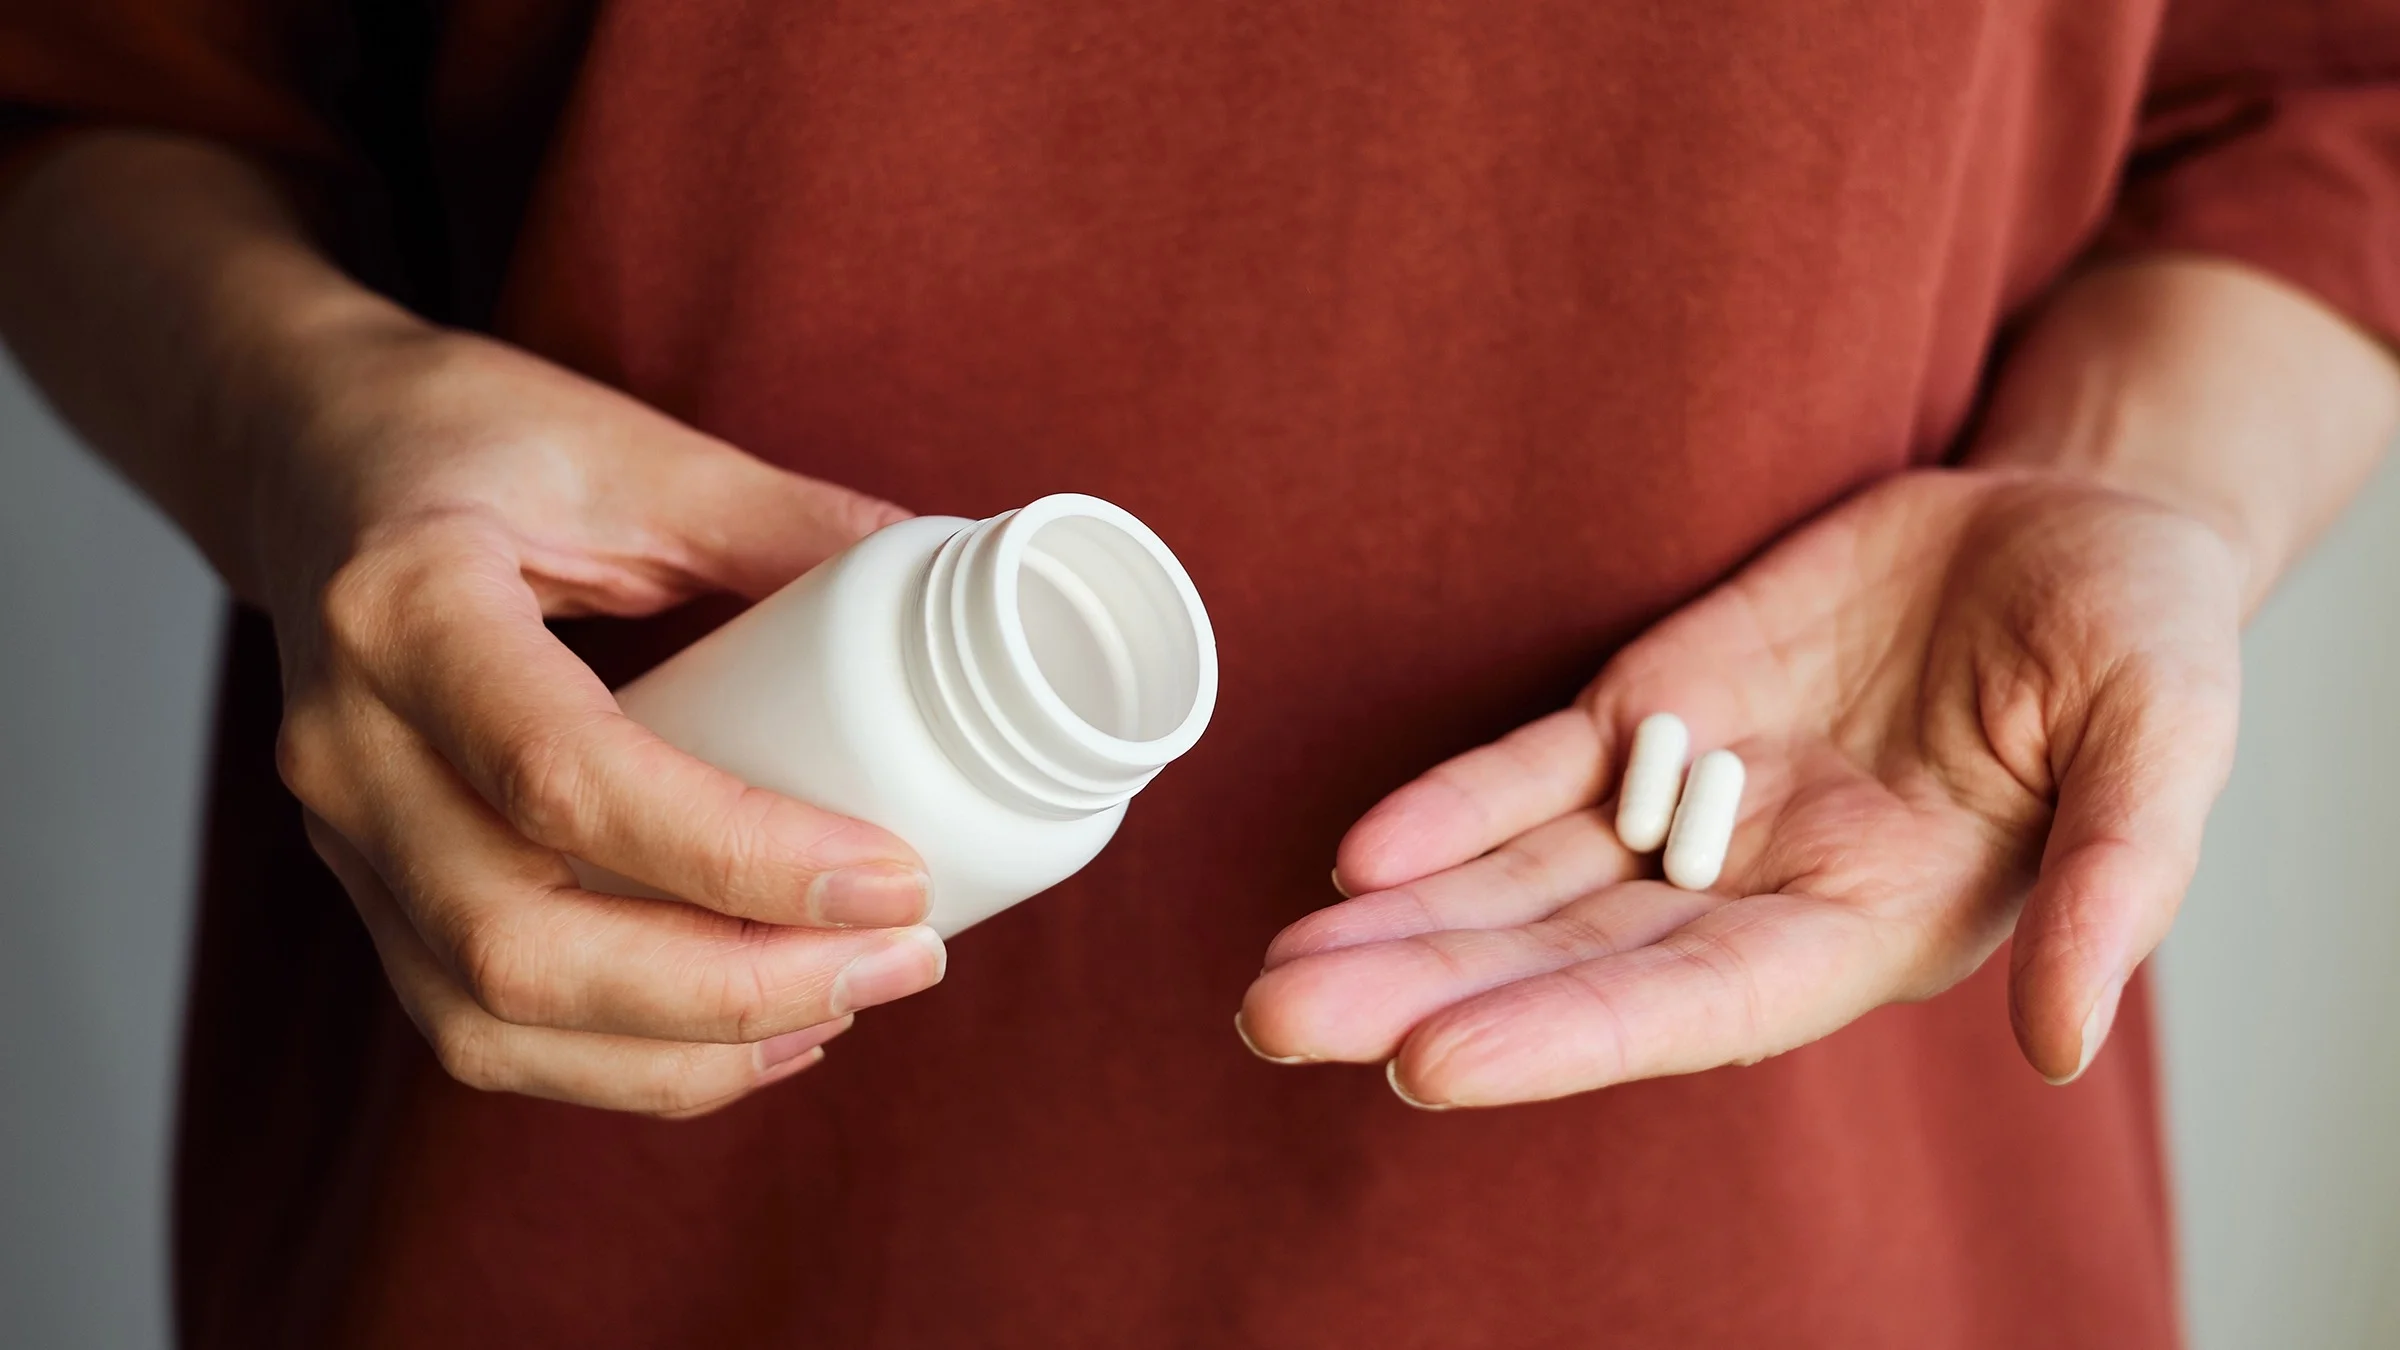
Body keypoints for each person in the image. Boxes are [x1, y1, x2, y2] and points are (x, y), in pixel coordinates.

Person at [0, 1, 2394, 1345]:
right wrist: (298, 429)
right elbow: (100, 86)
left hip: (1802, 1241)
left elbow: (2325, 100)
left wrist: (2139, 485)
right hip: (614, 1253)